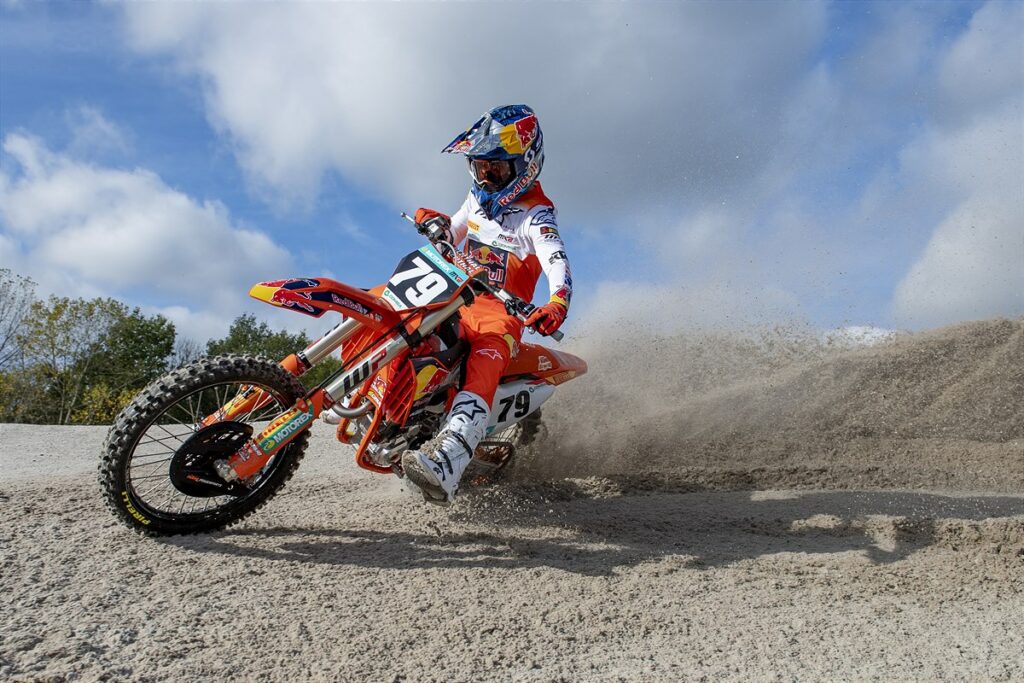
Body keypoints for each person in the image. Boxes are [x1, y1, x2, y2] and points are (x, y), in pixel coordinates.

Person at [402, 104, 573, 503]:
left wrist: (557, 303)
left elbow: (556, 261)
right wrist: (438, 225)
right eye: (480, 167)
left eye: (496, 169)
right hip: (452, 295)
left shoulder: (537, 216)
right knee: (389, 303)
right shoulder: (477, 200)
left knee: (485, 359)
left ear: (526, 165)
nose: (486, 177)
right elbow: (455, 230)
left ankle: (447, 464)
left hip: (500, 314)